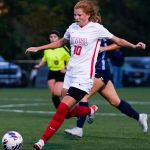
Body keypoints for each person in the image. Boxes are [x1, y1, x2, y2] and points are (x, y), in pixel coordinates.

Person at [26, 1, 146, 149]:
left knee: (62, 108)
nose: (76, 17)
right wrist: (39, 48)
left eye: (79, 15)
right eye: (75, 14)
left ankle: (41, 142)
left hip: (84, 77)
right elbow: (61, 42)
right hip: (70, 75)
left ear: (88, 15)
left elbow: (118, 40)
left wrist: (134, 45)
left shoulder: (96, 28)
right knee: (68, 113)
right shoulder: (73, 27)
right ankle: (90, 110)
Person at [64, 39, 148, 138]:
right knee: (115, 102)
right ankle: (139, 117)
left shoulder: (98, 31)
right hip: (92, 73)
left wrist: (104, 48)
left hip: (100, 71)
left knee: (83, 97)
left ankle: (79, 128)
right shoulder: (83, 35)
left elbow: (119, 43)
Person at [34, 30, 70, 108]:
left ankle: (69, 97)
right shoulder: (47, 49)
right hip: (51, 72)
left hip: (61, 72)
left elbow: (70, 60)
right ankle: (59, 111)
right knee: (53, 94)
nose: (52, 38)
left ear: (59, 38)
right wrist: (39, 66)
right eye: (51, 37)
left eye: (55, 37)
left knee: (57, 92)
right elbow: (44, 60)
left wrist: (65, 67)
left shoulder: (64, 48)